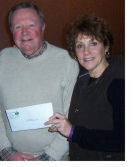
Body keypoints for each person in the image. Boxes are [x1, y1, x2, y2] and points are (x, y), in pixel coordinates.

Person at [0, 2, 79, 161]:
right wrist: (6, 151)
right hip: (12, 158)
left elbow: (74, 116)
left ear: (43, 27)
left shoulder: (66, 61)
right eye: (17, 27)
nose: (24, 32)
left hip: (56, 159)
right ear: (11, 31)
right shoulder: (3, 58)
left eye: (31, 25)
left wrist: (48, 158)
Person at [45, 13, 125, 160]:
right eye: (80, 46)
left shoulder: (120, 82)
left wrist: (73, 132)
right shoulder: (81, 78)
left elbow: (123, 140)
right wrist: (63, 124)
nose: (86, 52)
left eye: (93, 43)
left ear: (106, 46)